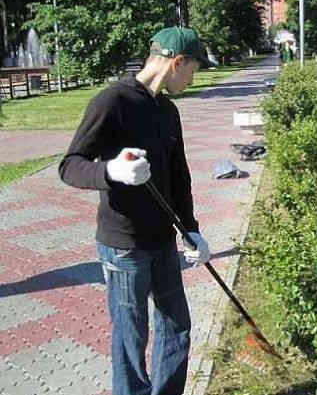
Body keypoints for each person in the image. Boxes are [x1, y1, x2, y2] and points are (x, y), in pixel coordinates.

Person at [58, 26, 213, 395]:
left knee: (177, 327)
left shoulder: (167, 110)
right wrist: (111, 171)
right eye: (193, 69)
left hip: (162, 243)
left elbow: (179, 176)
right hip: (124, 245)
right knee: (131, 339)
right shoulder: (112, 101)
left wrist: (191, 229)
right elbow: (70, 166)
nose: (193, 78)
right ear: (177, 62)